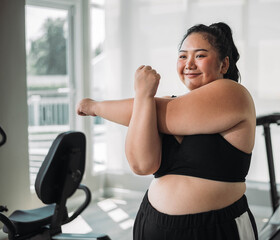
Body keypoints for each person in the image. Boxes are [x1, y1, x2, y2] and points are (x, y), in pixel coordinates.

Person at [77, 22, 257, 240]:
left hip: (215, 228)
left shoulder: (234, 94)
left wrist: (95, 106)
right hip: (153, 224)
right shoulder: (165, 105)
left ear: (223, 64)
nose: (189, 63)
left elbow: (164, 113)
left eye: (200, 55)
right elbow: (141, 165)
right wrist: (143, 96)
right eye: (182, 56)